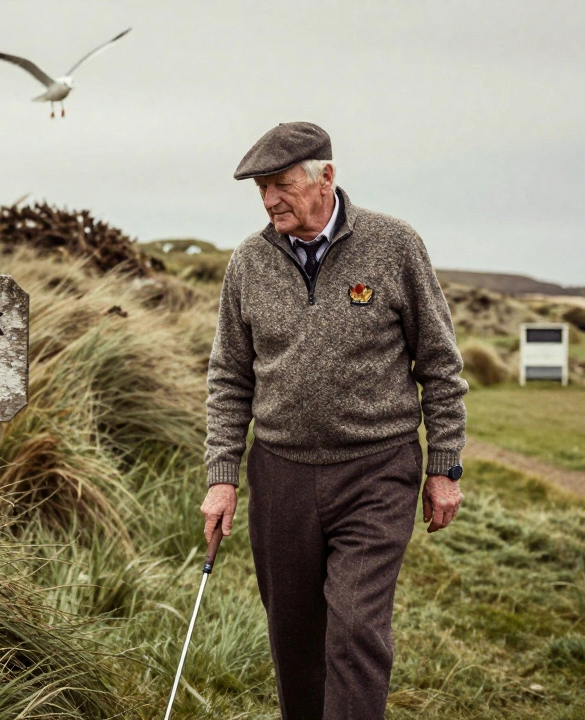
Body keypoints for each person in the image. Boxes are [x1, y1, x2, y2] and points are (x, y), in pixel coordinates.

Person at [201, 121, 468, 720]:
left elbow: (441, 365)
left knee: (354, 630)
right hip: (281, 476)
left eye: (281, 185)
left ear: (327, 177)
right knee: (294, 641)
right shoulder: (247, 263)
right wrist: (222, 476)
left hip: (377, 472)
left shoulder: (395, 244)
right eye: (260, 189)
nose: (270, 200)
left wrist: (445, 465)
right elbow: (229, 378)